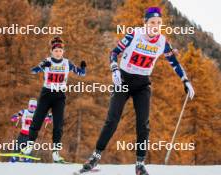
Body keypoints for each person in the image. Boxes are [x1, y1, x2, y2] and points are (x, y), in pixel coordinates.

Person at [79, 7, 195, 175]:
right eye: (152, 22)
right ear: (145, 23)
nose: (156, 26)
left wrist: (186, 81)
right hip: (124, 80)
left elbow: (174, 63)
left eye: (159, 23)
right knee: (112, 120)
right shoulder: (134, 35)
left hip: (142, 84)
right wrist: (114, 70)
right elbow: (114, 53)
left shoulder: (162, 42)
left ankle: (140, 164)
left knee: (143, 125)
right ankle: (94, 157)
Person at [20, 36, 87, 163]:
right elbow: (33, 71)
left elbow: (81, 73)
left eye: (60, 51)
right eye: (56, 51)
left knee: (58, 125)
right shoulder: (47, 61)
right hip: (46, 95)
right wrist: (42, 66)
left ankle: (55, 153)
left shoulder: (67, 63)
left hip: (59, 96)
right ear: (52, 51)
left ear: (63, 52)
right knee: (37, 121)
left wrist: (83, 68)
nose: (58, 53)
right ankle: (29, 146)